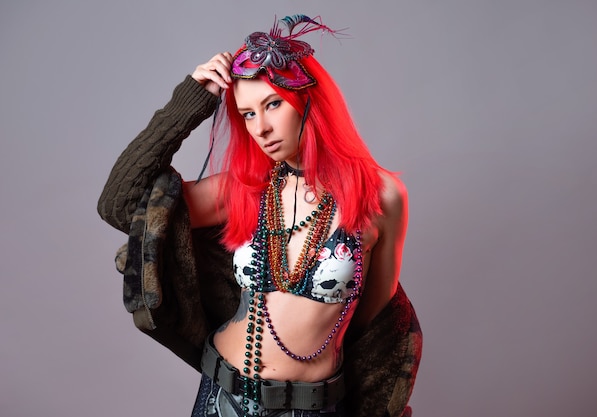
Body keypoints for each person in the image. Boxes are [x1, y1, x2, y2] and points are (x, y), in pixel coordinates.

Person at [98, 15, 421, 417]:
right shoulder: (247, 188)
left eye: (272, 105)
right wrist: (191, 103)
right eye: (247, 113)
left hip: (314, 406)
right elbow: (122, 206)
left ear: (307, 99)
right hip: (222, 394)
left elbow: (376, 327)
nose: (261, 128)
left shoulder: (382, 195)